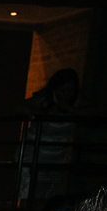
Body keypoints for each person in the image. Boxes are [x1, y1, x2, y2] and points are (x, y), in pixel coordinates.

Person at [18, 68, 79, 203]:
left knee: (51, 197)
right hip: (35, 154)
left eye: (70, 90)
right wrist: (44, 113)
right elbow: (19, 107)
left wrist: (70, 109)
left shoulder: (77, 102)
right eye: (62, 90)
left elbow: (96, 110)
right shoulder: (45, 99)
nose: (66, 94)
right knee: (30, 195)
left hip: (57, 157)